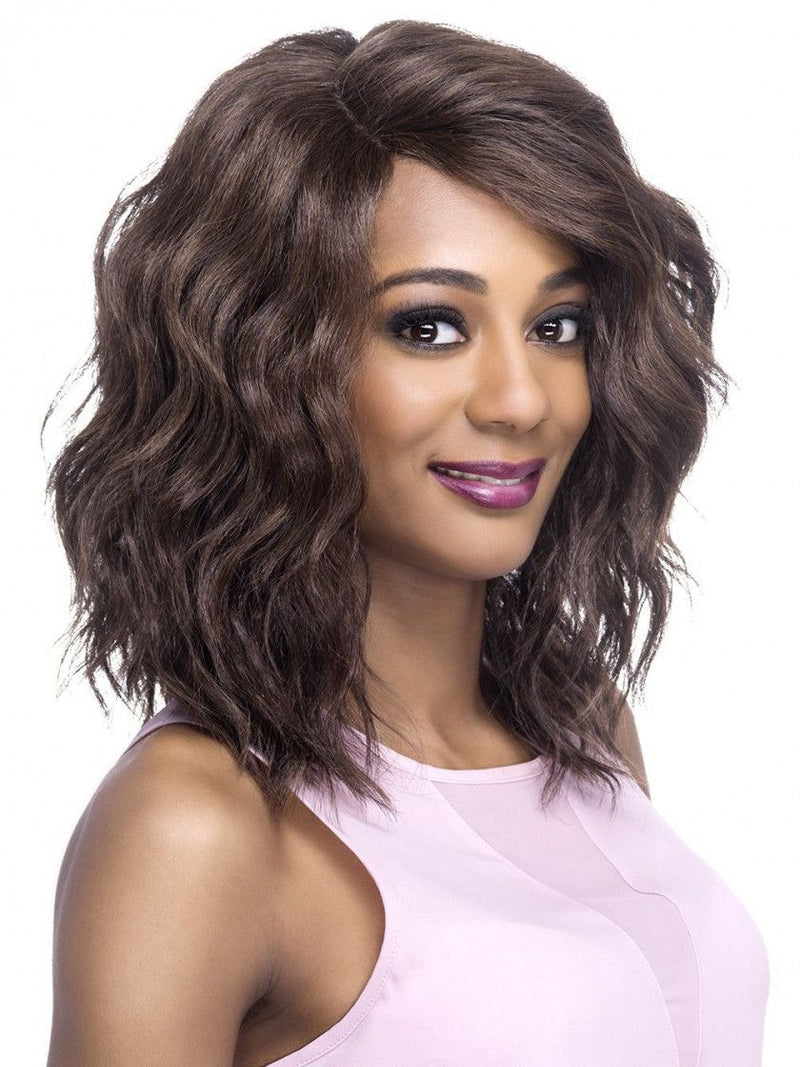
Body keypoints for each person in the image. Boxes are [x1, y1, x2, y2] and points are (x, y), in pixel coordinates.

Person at [43, 19, 770, 1066]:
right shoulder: (196, 823)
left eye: (556, 326)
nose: (521, 399)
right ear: (267, 362)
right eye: (429, 326)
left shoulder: (583, 723)